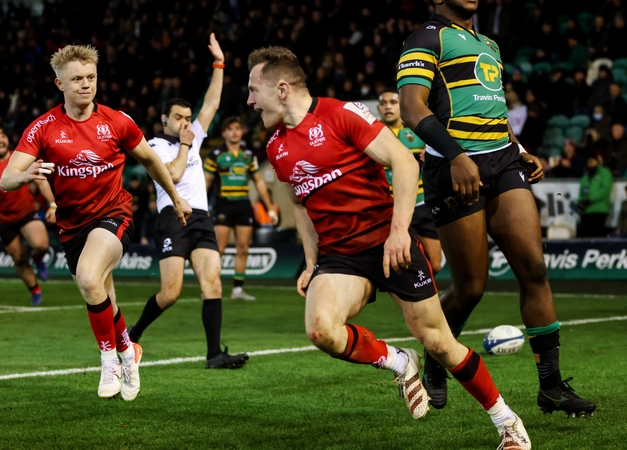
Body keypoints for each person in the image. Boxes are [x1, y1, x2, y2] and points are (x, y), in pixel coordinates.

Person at [248, 46, 531, 449]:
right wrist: (311, 261)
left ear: (281, 89)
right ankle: (399, 361)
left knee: (438, 342)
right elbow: (298, 202)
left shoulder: (342, 114)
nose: (249, 101)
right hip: (340, 256)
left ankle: (507, 422)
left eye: (253, 90)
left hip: (388, 241)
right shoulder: (276, 146)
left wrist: (399, 233)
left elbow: (405, 162)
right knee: (321, 330)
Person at [398, 0, 595, 424]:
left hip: (503, 161)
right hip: (453, 166)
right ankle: (436, 354)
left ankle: (551, 386)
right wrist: (456, 156)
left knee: (535, 269)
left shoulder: (488, 44)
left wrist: (520, 149)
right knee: (470, 288)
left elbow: (494, 108)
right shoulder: (425, 38)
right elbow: (412, 107)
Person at [1, 44, 193, 401]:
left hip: (113, 215)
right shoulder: (43, 128)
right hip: (72, 227)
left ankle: (109, 360)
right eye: (77, 79)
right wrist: (25, 175)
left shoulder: (116, 121)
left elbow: (151, 161)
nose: (86, 84)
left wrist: (175, 197)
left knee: (89, 278)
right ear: (59, 83)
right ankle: (129, 353)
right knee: (103, 297)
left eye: (90, 77)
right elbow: (6, 178)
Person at [127, 34, 249, 369]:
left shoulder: (191, 136)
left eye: (187, 117)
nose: (186, 122)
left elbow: (212, 103)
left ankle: (214, 355)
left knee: (213, 284)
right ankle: (133, 334)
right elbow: (175, 175)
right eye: (179, 117)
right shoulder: (155, 145)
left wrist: (219, 64)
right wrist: (184, 144)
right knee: (171, 293)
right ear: (164, 119)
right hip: (173, 218)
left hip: (201, 217)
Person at [0, 129, 55, 306]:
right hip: (2, 220)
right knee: (19, 258)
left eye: (3, 137)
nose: (0, 140)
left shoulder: (20, 158)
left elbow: (41, 181)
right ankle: (35, 291)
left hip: (26, 212)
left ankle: (38, 258)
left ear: (8, 140)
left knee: (41, 245)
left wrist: (52, 204)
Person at [204, 116, 278, 300]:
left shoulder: (248, 156)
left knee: (243, 248)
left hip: (243, 205)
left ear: (242, 132)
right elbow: (206, 182)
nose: (234, 132)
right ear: (224, 133)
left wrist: (269, 207)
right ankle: (210, 288)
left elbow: (259, 181)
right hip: (223, 204)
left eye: (237, 128)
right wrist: (202, 206)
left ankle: (237, 290)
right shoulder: (216, 155)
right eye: (230, 129)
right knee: (219, 250)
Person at [377, 89, 443, 273]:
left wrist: (431, 152)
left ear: (401, 106)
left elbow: (442, 154)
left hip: (422, 203)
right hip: (391, 208)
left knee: (435, 265)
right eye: (383, 103)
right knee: (401, 262)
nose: (388, 107)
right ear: (378, 108)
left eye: (393, 102)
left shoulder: (418, 132)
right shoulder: (372, 136)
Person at [577, 152, 614, 237]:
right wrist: (580, 201)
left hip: (600, 209)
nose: (590, 163)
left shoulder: (605, 172)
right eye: (588, 161)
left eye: (592, 161)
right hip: (586, 211)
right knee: (585, 236)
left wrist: (591, 199)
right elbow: (581, 191)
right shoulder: (586, 176)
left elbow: (606, 189)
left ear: (597, 161)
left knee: (598, 235)